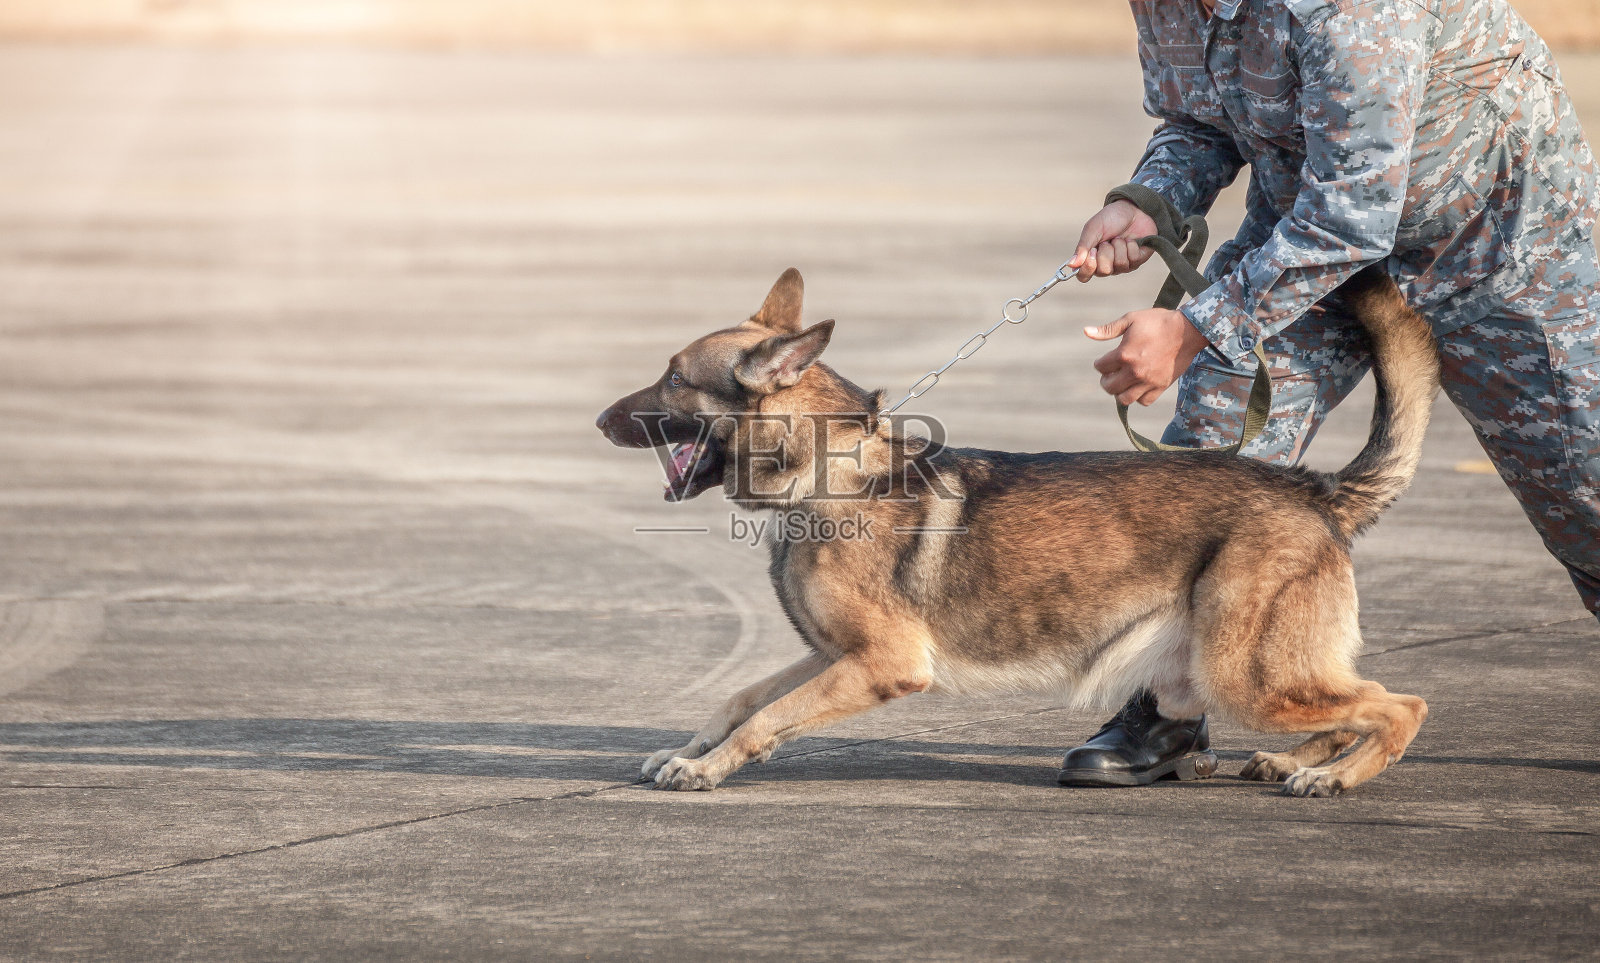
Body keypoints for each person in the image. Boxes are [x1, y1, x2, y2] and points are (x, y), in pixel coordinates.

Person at [1056, 0, 1600, 788]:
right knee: (1211, 453)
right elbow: (1201, 122)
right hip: (1310, 241)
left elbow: (1356, 208)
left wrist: (1195, 326)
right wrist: (1149, 202)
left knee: (1584, 495)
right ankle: (1168, 705)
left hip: (1500, 251)